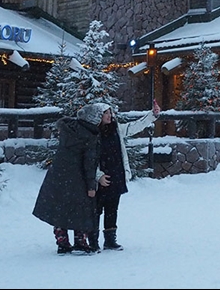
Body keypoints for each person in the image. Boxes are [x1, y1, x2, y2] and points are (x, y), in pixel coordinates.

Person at [32, 103, 106, 254]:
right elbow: (89, 163)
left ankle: (62, 242)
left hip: (58, 175)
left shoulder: (69, 130)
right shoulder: (89, 136)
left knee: (60, 207)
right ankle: (80, 240)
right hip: (78, 177)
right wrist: (91, 186)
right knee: (82, 207)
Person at [90, 100, 161, 251]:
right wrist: (98, 176)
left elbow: (134, 127)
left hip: (116, 175)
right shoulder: (92, 133)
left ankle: (110, 240)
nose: (109, 115)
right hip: (99, 178)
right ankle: (92, 241)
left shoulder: (116, 130)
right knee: (95, 210)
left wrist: (152, 116)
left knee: (112, 209)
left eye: (110, 112)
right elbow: (88, 159)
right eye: (106, 113)